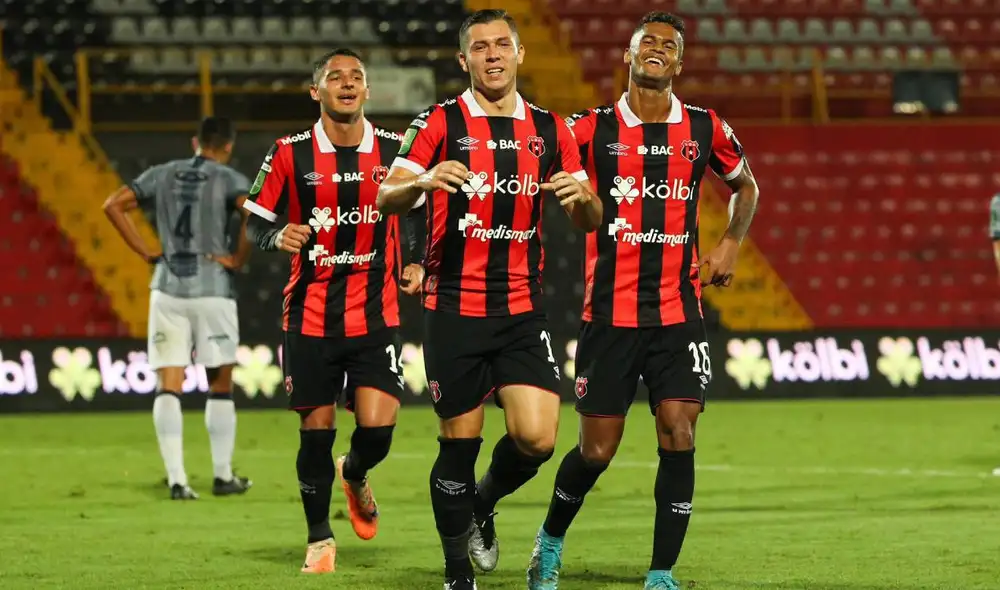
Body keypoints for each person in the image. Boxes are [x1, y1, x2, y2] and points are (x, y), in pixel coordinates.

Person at [525, 12, 761, 590]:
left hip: (679, 313)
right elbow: (538, 164)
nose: (657, 50)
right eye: (646, 42)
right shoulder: (589, 129)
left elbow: (746, 185)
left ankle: (661, 573)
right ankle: (549, 541)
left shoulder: (704, 127)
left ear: (679, 63)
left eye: (668, 46)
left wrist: (731, 241)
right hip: (610, 315)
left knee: (679, 431)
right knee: (597, 451)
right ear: (628, 57)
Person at [377, 9, 602, 590]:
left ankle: (483, 501)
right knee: (460, 441)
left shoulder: (551, 129)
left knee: (539, 439)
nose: (493, 55)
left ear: (521, 54)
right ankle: (457, 573)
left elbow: (589, 216)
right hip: (452, 308)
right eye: (480, 48)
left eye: (503, 44)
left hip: (522, 308)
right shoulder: (439, 122)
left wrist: (584, 200)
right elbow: (386, 195)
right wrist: (422, 182)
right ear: (464, 60)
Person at [242, 48, 425, 574]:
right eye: (334, 77)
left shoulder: (394, 150)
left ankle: (356, 472)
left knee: (378, 430)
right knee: (315, 431)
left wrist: (413, 263)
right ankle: (320, 539)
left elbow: (417, 213)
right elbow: (255, 221)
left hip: (376, 314)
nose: (347, 84)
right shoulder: (288, 152)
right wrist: (278, 235)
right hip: (310, 315)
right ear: (315, 91)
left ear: (368, 90)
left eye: (357, 77)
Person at [102, 116, 254, 501]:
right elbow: (253, 213)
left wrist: (147, 252)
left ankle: (177, 480)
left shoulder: (162, 173)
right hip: (212, 288)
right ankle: (222, 476)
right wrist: (236, 258)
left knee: (168, 385)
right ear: (228, 146)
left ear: (195, 142)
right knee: (220, 383)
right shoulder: (230, 178)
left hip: (167, 287)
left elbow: (114, 205)